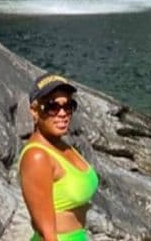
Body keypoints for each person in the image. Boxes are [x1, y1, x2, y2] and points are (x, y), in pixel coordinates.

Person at [20, 74, 98, 241]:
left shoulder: (62, 145)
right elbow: (47, 233)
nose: (62, 113)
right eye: (52, 106)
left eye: (68, 106)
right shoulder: (37, 156)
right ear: (34, 111)